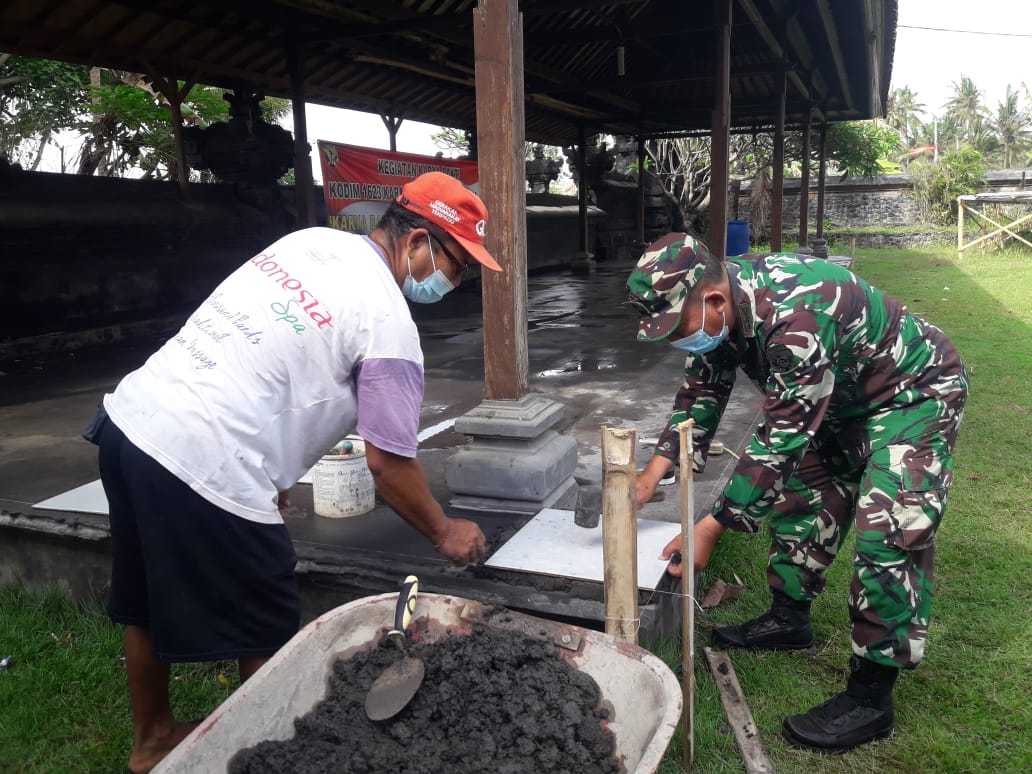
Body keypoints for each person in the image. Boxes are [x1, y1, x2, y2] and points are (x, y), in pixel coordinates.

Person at [92, 172, 500, 773]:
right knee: (270, 630)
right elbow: (388, 464)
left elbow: (267, 358)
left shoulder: (310, 243)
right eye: (456, 265)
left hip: (130, 424)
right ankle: (268, 760)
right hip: (206, 459)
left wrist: (278, 477)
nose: (455, 282)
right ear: (417, 241)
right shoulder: (388, 323)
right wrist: (444, 531)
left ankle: (152, 742)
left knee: (145, 604)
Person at [627, 233, 967, 753]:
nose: (678, 342)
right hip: (839, 401)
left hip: (913, 398)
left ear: (713, 300)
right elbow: (702, 389)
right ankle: (789, 621)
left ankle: (871, 697)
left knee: (890, 532)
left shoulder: (797, 312)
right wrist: (653, 472)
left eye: (679, 329)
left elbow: (780, 437)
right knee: (803, 503)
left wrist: (710, 529)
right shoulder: (723, 304)